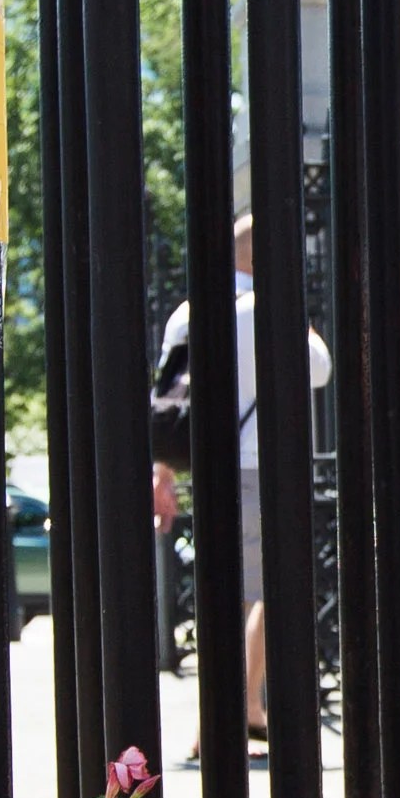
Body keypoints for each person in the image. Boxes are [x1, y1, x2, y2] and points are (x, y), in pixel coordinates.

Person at [155, 213, 330, 745]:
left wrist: (161, 474)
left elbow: (166, 399)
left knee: (223, 591)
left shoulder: (189, 313)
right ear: (260, 259)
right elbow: (319, 368)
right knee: (269, 590)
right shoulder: (269, 308)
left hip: (208, 468)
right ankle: (239, 708)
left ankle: (230, 710)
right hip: (260, 465)